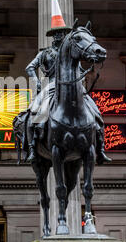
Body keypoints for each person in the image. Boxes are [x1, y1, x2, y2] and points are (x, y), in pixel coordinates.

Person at [25, 14, 111, 165]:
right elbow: (30, 67)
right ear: (52, 36)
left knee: (96, 112)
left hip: (74, 87)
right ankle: (32, 147)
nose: (59, 35)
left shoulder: (73, 52)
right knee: (34, 111)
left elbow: (79, 68)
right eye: (56, 33)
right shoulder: (45, 53)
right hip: (51, 86)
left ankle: (100, 149)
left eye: (62, 33)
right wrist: (36, 81)